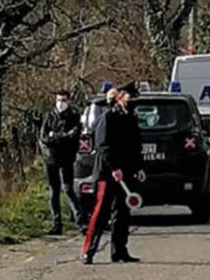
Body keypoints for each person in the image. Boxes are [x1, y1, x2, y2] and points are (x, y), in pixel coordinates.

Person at [82, 82, 144, 264]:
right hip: (107, 173)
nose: (133, 102)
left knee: (122, 214)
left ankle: (119, 251)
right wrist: (114, 168)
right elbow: (103, 145)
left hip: (126, 174)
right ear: (121, 97)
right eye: (130, 98)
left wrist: (138, 167)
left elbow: (135, 146)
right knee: (100, 214)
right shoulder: (108, 118)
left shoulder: (131, 118)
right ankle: (88, 251)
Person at [39, 88, 83, 235]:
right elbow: (44, 137)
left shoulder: (74, 116)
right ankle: (56, 224)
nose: (60, 103)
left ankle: (80, 221)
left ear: (68, 101)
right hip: (50, 158)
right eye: (58, 100)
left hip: (66, 158)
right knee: (54, 191)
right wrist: (59, 137)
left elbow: (73, 136)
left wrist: (56, 136)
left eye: (63, 100)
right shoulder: (49, 116)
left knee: (68, 189)